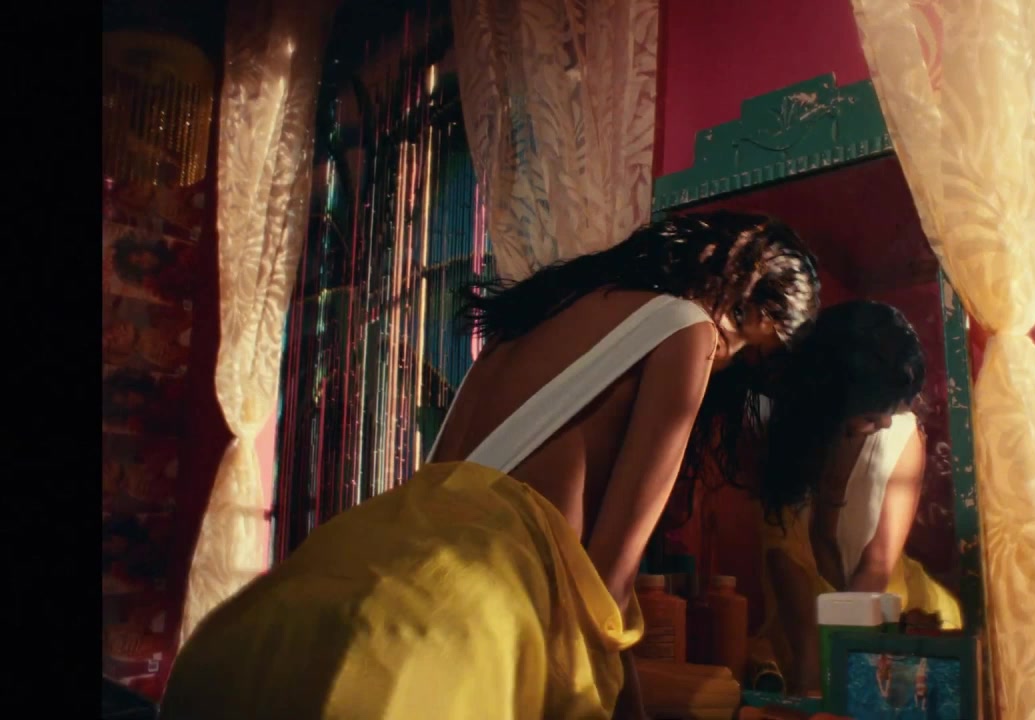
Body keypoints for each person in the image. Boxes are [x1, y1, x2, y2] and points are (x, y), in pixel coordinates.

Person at [160, 211, 820, 720]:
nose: (728, 357)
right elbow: (608, 583)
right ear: (738, 299)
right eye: (744, 333)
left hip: (312, 596)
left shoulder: (535, 313)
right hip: (463, 619)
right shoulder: (689, 331)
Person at [747, 300, 962, 695]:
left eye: (893, 405)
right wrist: (813, 667)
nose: (886, 420)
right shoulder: (781, 438)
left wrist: (842, 663)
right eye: (876, 407)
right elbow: (784, 559)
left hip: (887, 605)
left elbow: (876, 566)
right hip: (803, 612)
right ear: (834, 395)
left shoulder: (900, 434)